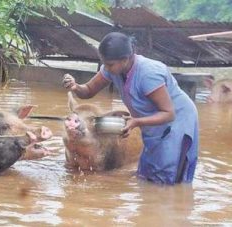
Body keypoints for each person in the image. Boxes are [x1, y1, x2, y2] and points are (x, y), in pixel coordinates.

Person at [62, 32, 199, 185]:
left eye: (110, 64)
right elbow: (88, 90)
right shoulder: (113, 68)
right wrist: (75, 86)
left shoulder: (148, 74)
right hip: (150, 121)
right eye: (104, 63)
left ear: (125, 59)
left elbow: (169, 113)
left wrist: (136, 122)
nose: (106, 68)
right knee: (146, 173)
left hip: (177, 121)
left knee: (168, 174)